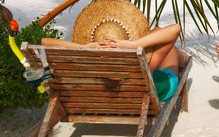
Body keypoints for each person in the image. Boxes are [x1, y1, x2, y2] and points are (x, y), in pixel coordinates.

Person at [42, 23, 189, 102]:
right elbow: (176, 28)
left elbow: (44, 42)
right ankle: (183, 57)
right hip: (158, 88)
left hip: (108, 97)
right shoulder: (136, 68)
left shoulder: (88, 65)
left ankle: (181, 55)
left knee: (157, 32)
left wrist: (84, 48)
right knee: (169, 49)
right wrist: (133, 45)